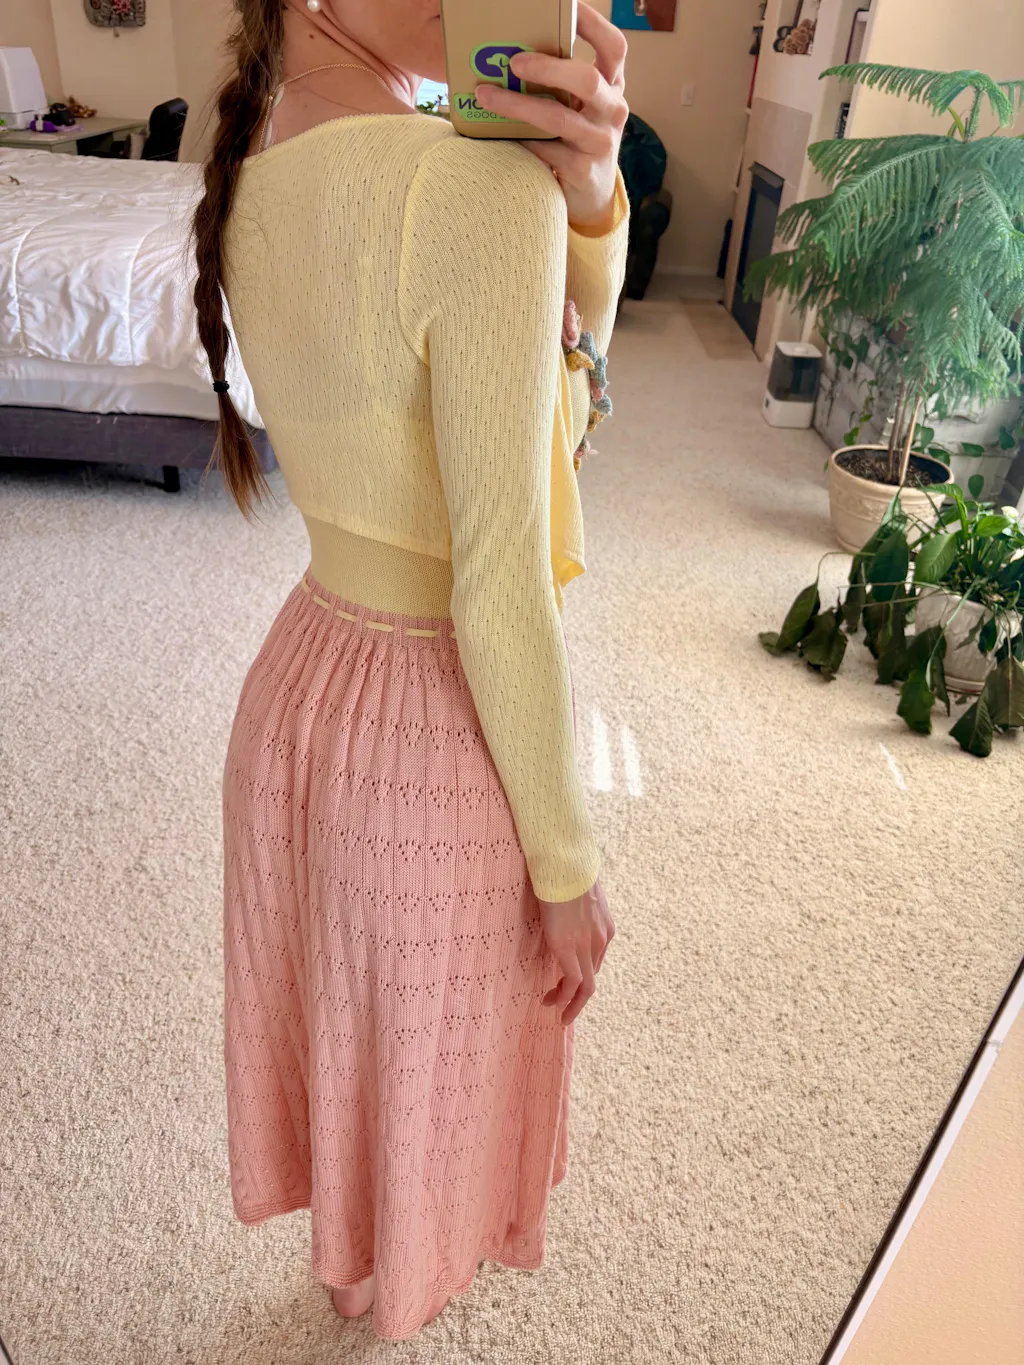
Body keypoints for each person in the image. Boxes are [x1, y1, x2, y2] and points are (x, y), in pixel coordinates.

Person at [191, 0, 629, 1341]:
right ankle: (398, 1292)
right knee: (433, 1049)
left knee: (344, 1020)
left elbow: (545, 384)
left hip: (301, 688)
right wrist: (566, 864)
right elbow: (507, 567)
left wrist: (587, 204)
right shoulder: (474, 189)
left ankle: (349, 1270)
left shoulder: (254, 159)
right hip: (435, 733)